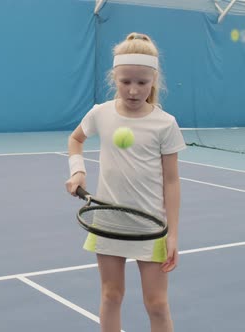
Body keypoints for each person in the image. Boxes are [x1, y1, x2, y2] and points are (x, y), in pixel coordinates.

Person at [65, 32, 185, 332]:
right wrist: (78, 170)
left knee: (157, 304)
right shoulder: (101, 114)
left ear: (154, 80)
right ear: (113, 78)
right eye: (125, 81)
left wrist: (172, 234)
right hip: (109, 224)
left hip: (150, 228)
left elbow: (171, 181)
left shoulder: (165, 123)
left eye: (142, 83)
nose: (133, 90)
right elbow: (75, 139)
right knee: (111, 295)